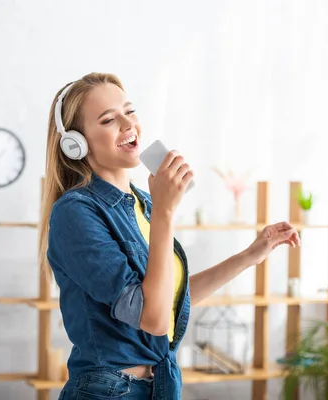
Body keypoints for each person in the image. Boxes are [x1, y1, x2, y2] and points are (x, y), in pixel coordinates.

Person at [38, 72, 300, 400]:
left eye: (129, 111)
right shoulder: (75, 212)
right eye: (108, 119)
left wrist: (249, 255)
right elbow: (155, 319)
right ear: (76, 144)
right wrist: (165, 212)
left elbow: (169, 298)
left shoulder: (144, 203)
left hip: (157, 387)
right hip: (108, 391)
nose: (127, 123)